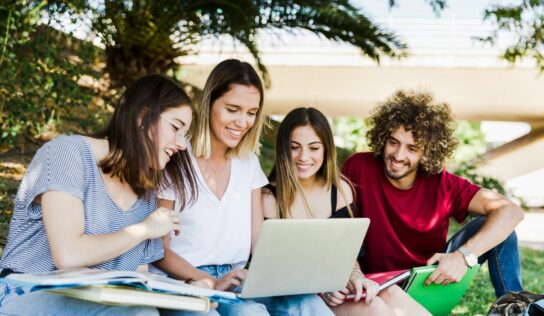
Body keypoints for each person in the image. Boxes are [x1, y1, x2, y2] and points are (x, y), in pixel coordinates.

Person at [0, 74, 199, 315]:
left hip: (103, 300)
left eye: (184, 136)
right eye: (176, 128)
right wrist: (144, 230)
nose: (180, 144)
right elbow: (69, 255)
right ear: (142, 117)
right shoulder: (67, 154)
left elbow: (139, 277)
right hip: (26, 293)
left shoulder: (146, 195)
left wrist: (191, 290)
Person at [152, 60, 332, 316]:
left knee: (308, 304)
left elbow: (259, 243)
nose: (242, 122)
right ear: (210, 104)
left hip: (237, 279)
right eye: (233, 109)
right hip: (186, 282)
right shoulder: (176, 158)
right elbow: (160, 250)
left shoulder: (248, 164)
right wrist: (209, 281)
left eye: (251, 113)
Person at [341, 90, 524, 298]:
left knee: (502, 228)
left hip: (428, 283)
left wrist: (463, 257)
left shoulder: (443, 184)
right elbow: (337, 226)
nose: (398, 155)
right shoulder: (358, 167)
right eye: (393, 142)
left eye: (412, 148)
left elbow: (511, 212)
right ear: (383, 138)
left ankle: (516, 307)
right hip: (374, 289)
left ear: (427, 152)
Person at [262, 107, 430, 316]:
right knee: (374, 307)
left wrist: (356, 276)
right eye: (294, 147)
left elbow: (350, 256)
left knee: (391, 293)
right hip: (296, 296)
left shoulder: (340, 191)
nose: (303, 157)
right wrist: (322, 288)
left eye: (314, 148)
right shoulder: (269, 199)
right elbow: (273, 271)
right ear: (282, 149)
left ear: (326, 149)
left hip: (336, 288)